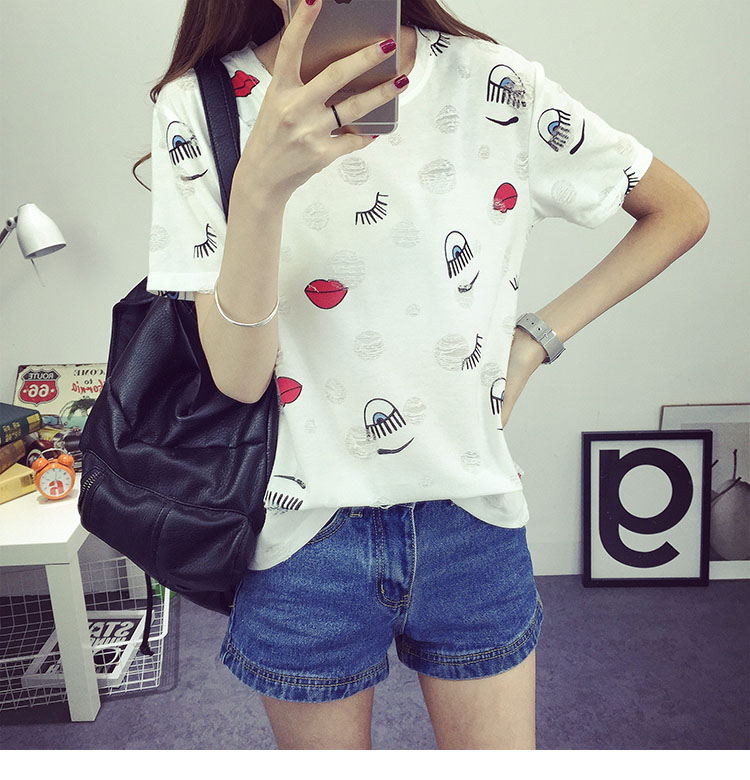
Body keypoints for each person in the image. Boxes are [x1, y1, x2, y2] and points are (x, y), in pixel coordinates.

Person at [140, 0, 709, 750]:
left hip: (471, 515)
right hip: (300, 534)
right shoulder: (198, 107)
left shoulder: (493, 84)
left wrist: (534, 341)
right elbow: (241, 380)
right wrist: (260, 190)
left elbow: (678, 210)